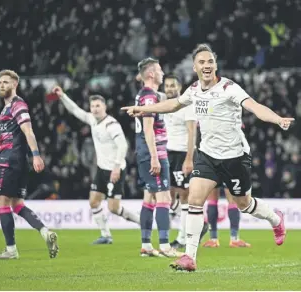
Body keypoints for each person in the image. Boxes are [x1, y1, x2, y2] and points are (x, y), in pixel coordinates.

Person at [122, 44, 291, 271]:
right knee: (194, 198)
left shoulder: (229, 88)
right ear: (195, 67)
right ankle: (190, 256)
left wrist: (277, 119)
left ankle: (276, 220)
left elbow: (255, 107)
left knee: (244, 204)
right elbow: (173, 104)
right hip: (208, 155)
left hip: (235, 157)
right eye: (202, 62)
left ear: (215, 65)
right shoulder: (192, 90)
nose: (207, 65)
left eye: (210, 61)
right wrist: (142, 110)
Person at [0, 70, 59, 259]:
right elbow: (2, 138)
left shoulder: (17, 105)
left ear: (15, 85)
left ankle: (11, 250)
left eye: (6, 82)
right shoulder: (6, 109)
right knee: (18, 204)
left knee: (2, 202)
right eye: (0, 82)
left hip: (9, 161)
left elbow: (28, 131)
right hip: (18, 162)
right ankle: (45, 232)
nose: (1, 85)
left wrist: (36, 155)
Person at [52, 86, 140, 245]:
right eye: (92, 106)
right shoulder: (92, 120)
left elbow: (123, 146)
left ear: (104, 107)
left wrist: (116, 167)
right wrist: (62, 96)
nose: (95, 109)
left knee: (113, 208)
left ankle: (141, 222)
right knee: (93, 202)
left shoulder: (111, 124)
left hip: (116, 169)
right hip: (101, 169)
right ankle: (106, 235)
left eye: (98, 106)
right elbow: (75, 110)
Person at [134, 58, 182, 257]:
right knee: (164, 198)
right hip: (153, 154)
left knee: (149, 199)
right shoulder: (149, 97)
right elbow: (147, 128)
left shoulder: (147, 95)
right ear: (152, 74)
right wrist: (154, 157)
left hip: (146, 153)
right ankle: (165, 246)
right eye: (160, 70)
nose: (163, 73)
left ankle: (146, 245)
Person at [162, 74, 208, 249]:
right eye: (167, 86)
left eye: (173, 85)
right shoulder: (165, 104)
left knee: (184, 196)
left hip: (183, 154)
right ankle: (198, 225)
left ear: (180, 87)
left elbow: (192, 133)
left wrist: (189, 158)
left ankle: (182, 238)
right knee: (171, 194)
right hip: (169, 154)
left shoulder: (187, 106)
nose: (170, 89)